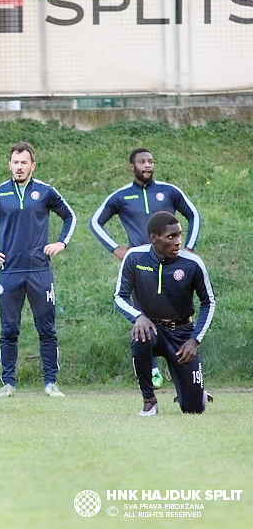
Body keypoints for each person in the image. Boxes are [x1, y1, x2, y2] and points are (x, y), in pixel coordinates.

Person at [90, 148, 201, 389]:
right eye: (142, 162)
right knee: (144, 317)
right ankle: (153, 372)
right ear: (132, 167)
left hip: (172, 265)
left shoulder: (169, 191)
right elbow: (95, 222)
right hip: (142, 266)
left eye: (150, 161)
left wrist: (189, 247)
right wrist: (115, 249)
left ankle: (188, 371)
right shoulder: (121, 197)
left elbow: (193, 215)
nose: (147, 165)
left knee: (182, 314)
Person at [0, 141, 76, 398]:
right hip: (9, 272)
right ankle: (8, 384)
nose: (19, 167)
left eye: (24, 163)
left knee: (47, 329)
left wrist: (61, 242)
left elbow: (70, 216)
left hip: (40, 271)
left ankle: (50, 383)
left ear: (33, 165)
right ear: (10, 165)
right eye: (15, 163)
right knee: (9, 330)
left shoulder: (46, 191)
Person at [114, 211, 215, 416]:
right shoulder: (134, 258)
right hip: (151, 329)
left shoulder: (192, 263)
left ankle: (192, 391)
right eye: (171, 237)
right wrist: (138, 317)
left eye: (179, 235)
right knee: (140, 336)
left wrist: (195, 340)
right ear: (154, 238)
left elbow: (209, 302)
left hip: (182, 335)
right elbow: (119, 296)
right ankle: (149, 400)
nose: (178, 241)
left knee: (193, 409)